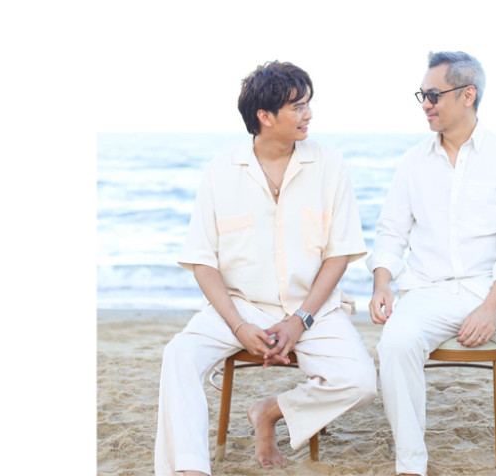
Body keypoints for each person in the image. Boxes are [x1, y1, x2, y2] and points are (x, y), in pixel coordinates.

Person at [155, 61, 377, 475]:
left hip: (312, 307)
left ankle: (270, 411)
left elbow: (339, 254)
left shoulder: (329, 165)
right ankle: (189, 469)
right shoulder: (221, 171)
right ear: (265, 116)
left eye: (309, 104)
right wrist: (239, 326)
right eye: (298, 107)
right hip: (240, 306)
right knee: (178, 355)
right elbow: (203, 262)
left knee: (361, 381)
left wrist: (300, 320)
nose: (308, 115)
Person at [367, 51, 496, 476]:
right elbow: (390, 231)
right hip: (427, 290)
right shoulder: (412, 162)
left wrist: (491, 308)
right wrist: (382, 282)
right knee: (395, 344)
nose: (425, 104)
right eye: (422, 95)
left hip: (492, 290)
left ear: (468, 95)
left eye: (433, 95)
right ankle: (410, 466)